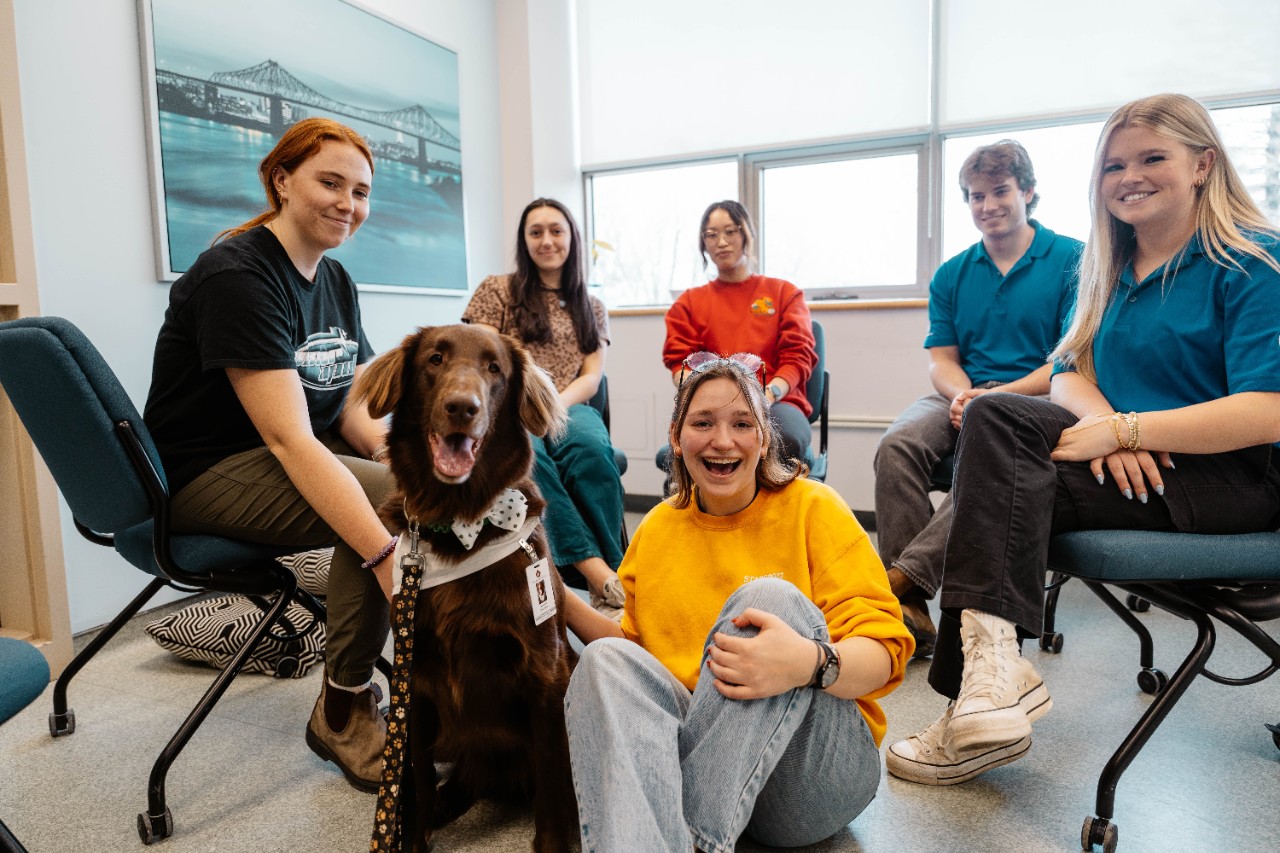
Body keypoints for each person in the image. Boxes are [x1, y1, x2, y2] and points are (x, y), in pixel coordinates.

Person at [885, 93, 1280, 787]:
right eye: (1114, 164)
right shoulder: (1108, 268)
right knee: (996, 418)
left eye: (1153, 157)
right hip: (1136, 461)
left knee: (1003, 486)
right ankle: (993, 677)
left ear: (1203, 164)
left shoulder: (1253, 259)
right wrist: (1107, 430)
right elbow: (1069, 373)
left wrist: (1127, 429)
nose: (1130, 175)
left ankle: (975, 696)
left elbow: (1269, 409)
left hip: (1233, 478)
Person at [562, 353, 913, 852]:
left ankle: (697, 840)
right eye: (702, 422)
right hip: (704, 751)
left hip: (809, 779)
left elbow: (885, 657)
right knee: (602, 661)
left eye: (742, 423)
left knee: (767, 599)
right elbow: (635, 653)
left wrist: (809, 663)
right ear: (677, 439)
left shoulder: (815, 509)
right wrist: (553, 592)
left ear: (764, 438)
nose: (722, 441)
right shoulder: (659, 528)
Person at [143, 117, 398, 793]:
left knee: (396, 485)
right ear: (282, 180)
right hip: (203, 473)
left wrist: (392, 455)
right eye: (331, 182)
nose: (349, 203)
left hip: (283, 456)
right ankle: (344, 708)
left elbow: (348, 404)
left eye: (362, 191)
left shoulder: (335, 280)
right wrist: (386, 556)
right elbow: (290, 438)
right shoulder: (238, 275)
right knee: (376, 511)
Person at [874, 140, 1082, 658]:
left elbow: (1069, 361)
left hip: (1044, 399)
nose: (987, 205)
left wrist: (995, 398)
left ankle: (899, 584)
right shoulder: (952, 273)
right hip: (963, 392)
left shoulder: (1074, 259)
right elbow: (941, 358)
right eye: (975, 196)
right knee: (897, 445)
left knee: (990, 464)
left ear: (1028, 191)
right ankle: (914, 613)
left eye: (1000, 192)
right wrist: (963, 393)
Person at [462, 198, 626, 616]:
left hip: (570, 405)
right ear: (524, 240)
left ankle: (623, 573)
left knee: (592, 453)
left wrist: (552, 408)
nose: (547, 240)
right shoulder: (496, 290)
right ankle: (596, 574)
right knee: (531, 461)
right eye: (536, 232)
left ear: (571, 236)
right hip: (509, 408)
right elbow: (479, 358)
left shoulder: (592, 306)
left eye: (556, 230)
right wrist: (526, 407)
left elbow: (592, 377)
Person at [663, 200, 818, 466]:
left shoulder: (784, 294)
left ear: (747, 233)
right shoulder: (688, 304)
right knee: (685, 445)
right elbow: (681, 365)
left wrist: (763, 397)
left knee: (785, 439)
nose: (721, 241)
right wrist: (716, 402)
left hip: (777, 401)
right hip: (713, 404)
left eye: (730, 231)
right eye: (711, 234)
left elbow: (797, 357)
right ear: (704, 244)